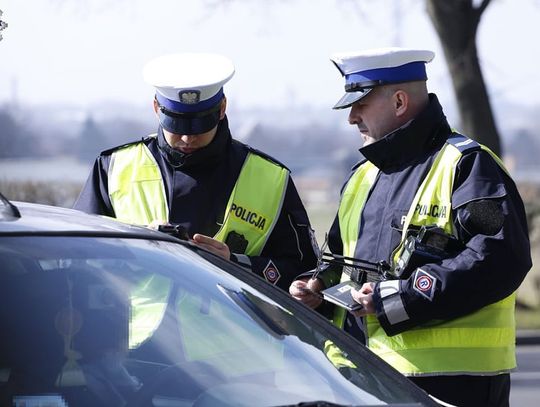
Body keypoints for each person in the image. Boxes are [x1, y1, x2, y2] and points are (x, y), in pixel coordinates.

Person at [289, 47, 531, 407]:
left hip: (452, 387)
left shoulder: (468, 167)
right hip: (360, 378)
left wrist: (404, 297)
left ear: (399, 101)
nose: (351, 118)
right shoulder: (362, 177)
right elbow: (341, 260)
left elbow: (500, 258)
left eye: (361, 104)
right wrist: (319, 287)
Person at [74, 53, 318, 290]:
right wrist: (138, 247)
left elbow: (304, 274)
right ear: (156, 107)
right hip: (132, 329)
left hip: (231, 331)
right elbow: (78, 255)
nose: (187, 137)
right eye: (176, 123)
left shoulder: (271, 178)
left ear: (222, 108)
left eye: (200, 124)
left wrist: (235, 263)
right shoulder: (113, 167)